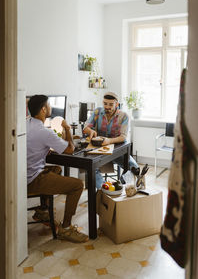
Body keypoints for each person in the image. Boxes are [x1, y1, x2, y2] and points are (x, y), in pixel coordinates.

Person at [27, 95, 88, 243]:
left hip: (23, 175)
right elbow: (70, 149)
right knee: (77, 185)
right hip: (32, 180)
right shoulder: (44, 132)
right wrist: (67, 128)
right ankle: (66, 229)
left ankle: (42, 211)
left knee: (56, 169)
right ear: (43, 109)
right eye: (49, 105)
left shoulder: (26, 123)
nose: (51, 108)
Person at [83, 91, 139, 189]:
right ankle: (105, 190)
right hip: (99, 150)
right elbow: (86, 127)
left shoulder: (124, 116)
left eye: (111, 104)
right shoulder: (97, 112)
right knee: (90, 167)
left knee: (135, 168)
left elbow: (123, 137)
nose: (107, 107)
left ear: (117, 104)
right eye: (105, 103)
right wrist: (90, 131)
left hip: (117, 150)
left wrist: (109, 141)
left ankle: (119, 187)